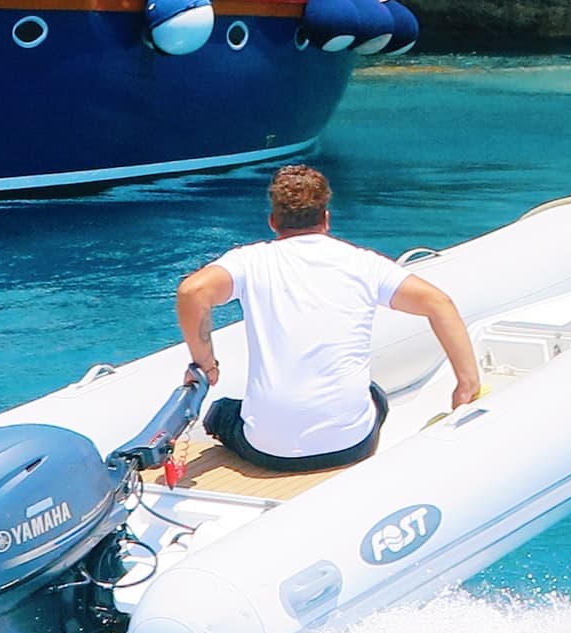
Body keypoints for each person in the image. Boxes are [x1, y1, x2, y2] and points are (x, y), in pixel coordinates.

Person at [173, 164, 480, 473]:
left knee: (221, 412)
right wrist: (466, 384)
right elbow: (440, 304)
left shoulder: (250, 262)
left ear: (273, 221)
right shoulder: (364, 264)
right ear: (326, 219)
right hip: (351, 447)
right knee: (375, 396)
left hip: (268, 452)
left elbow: (192, 292)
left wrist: (205, 364)